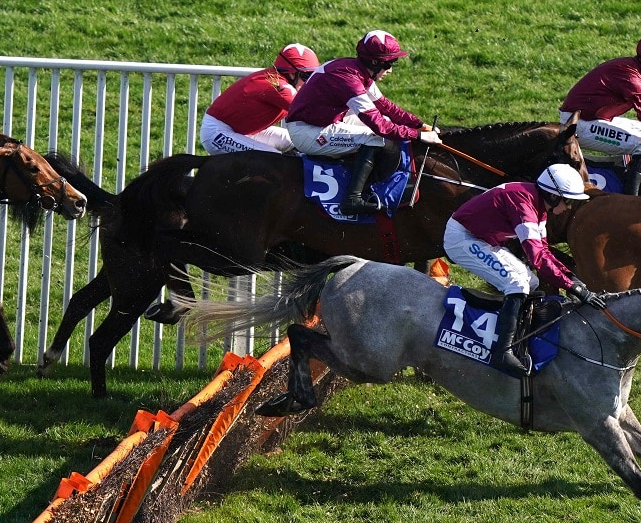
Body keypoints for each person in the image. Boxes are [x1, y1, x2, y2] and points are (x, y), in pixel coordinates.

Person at [444, 164, 606, 376]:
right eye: (567, 201)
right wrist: (574, 289)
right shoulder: (523, 202)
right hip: (461, 238)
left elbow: (544, 251)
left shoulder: (539, 205)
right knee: (517, 283)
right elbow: (537, 257)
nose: (568, 207)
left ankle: (521, 338)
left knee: (532, 283)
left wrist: (572, 279)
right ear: (553, 195)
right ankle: (502, 352)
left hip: (482, 239)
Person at [285, 29, 440, 216]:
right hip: (306, 132)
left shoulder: (356, 69)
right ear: (374, 62)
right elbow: (379, 126)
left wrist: (419, 124)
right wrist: (419, 136)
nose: (390, 70)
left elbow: (386, 107)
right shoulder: (348, 79)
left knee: (388, 125)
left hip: (322, 121)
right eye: (389, 63)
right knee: (375, 138)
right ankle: (353, 198)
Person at [559, 30, 641, 195]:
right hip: (578, 125)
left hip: (584, 118)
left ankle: (625, 170)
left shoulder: (633, 69)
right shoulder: (632, 77)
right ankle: (630, 199)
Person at [198, 44, 320, 155]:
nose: (309, 83)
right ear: (292, 74)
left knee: (293, 142)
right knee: (273, 158)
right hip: (217, 132)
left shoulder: (276, 78)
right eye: (307, 76)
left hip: (239, 130)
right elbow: (311, 111)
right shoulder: (278, 85)